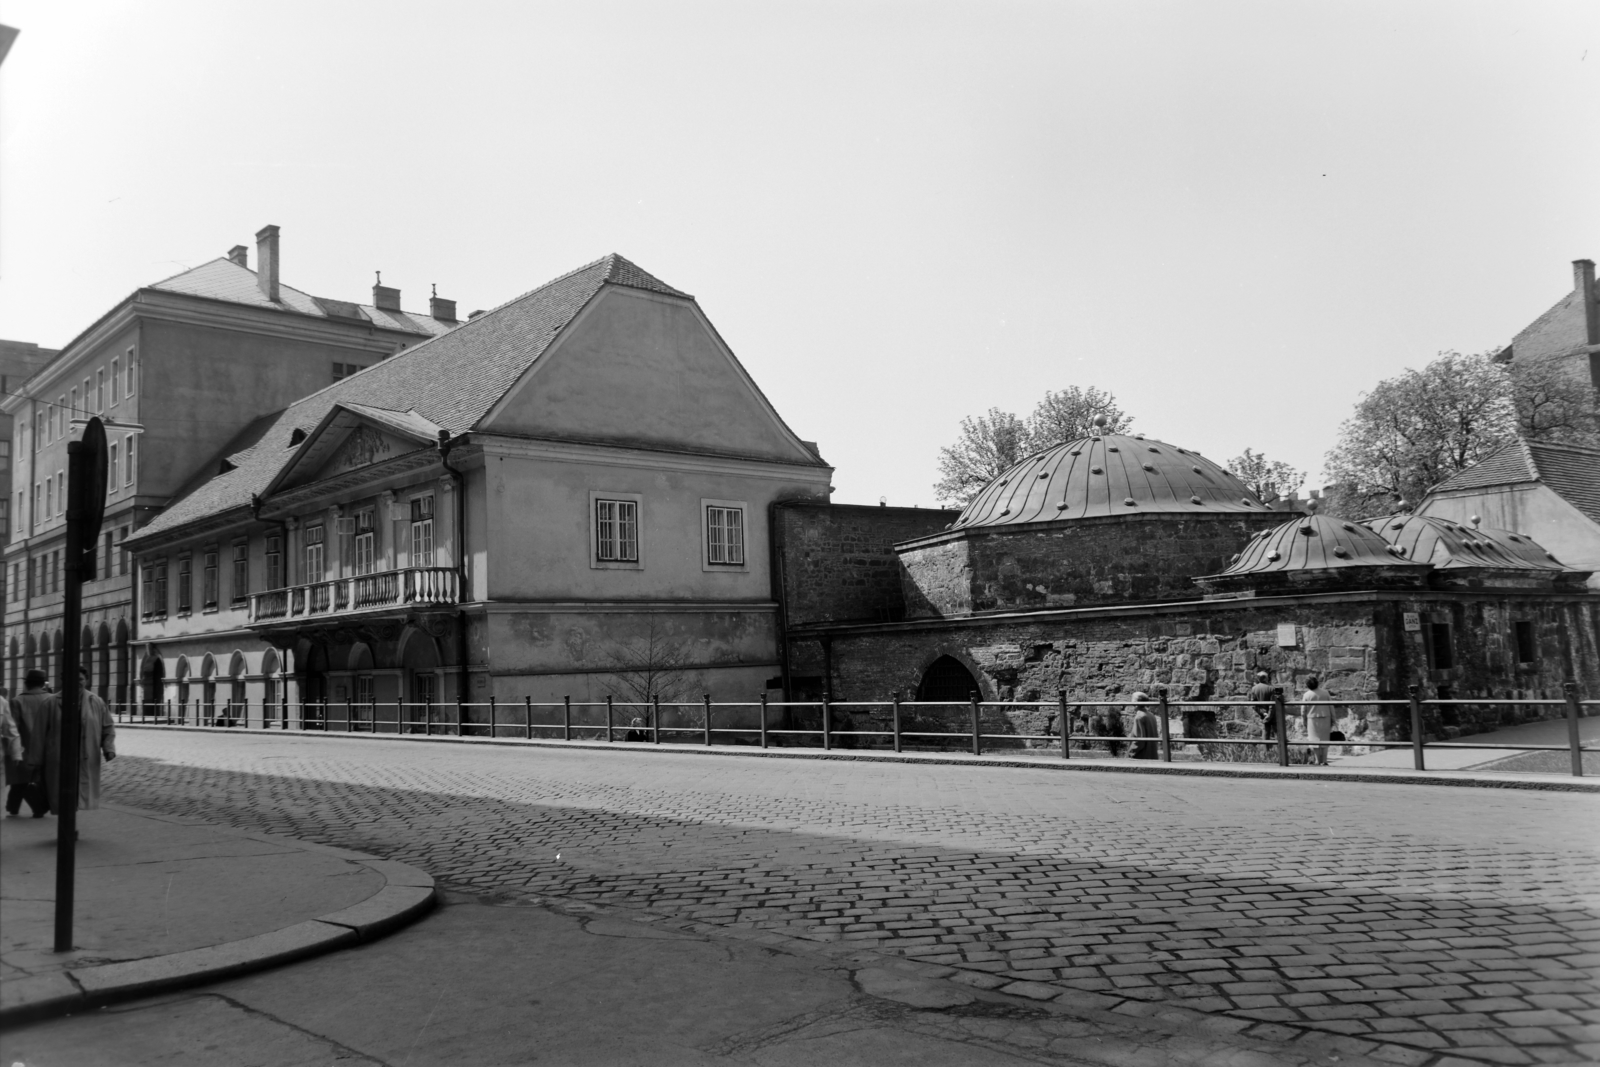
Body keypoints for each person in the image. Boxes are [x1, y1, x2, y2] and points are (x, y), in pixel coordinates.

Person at [48, 666, 117, 813]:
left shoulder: (96, 702)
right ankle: (67, 828)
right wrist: (35, 760)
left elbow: (108, 727)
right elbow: (39, 734)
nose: (76, 682)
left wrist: (108, 748)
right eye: (71, 679)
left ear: (86, 681)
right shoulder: (50, 703)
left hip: (85, 754)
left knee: (79, 791)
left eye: (80, 679)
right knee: (62, 792)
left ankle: (69, 826)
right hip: (60, 757)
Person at [6, 669, 58, 818]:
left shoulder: (17, 701)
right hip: (49, 747)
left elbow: (13, 728)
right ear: (43, 683)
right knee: (37, 779)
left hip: (25, 748)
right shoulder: (52, 699)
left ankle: (36, 807)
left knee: (22, 778)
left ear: (27, 684)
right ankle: (13, 806)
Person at [1301, 675, 1335, 766]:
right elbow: (1331, 706)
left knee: (1314, 739)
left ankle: (1317, 760)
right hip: (1325, 717)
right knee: (1325, 739)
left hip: (1312, 718)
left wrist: (1303, 721)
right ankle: (1324, 760)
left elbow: (1303, 710)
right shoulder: (1325, 693)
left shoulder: (1306, 695)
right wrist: (1333, 719)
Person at [1129, 692, 1160, 760]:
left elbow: (1139, 740)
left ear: (1135, 703)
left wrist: (1131, 752)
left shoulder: (1139, 717)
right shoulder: (1151, 715)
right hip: (1152, 754)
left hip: (1142, 756)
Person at [1248, 671, 1277, 741]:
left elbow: (1253, 704)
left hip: (1263, 714)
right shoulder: (1271, 688)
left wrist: (1263, 713)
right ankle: (1279, 750)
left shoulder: (1254, 689)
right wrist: (1269, 715)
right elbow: (1272, 703)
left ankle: (1266, 750)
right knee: (1277, 733)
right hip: (1273, 715)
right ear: (1265, 678)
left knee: (1265, 732)